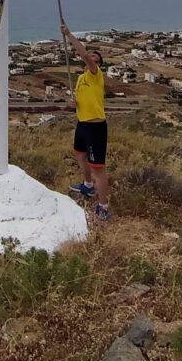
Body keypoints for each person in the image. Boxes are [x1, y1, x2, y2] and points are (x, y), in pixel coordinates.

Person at [61, 20, 111, 221]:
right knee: (80, 155)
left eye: (95, 58)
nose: (91, 58)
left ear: (98, 65)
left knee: (98, 167)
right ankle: (88, 186)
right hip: (82, 124)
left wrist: (69, 35)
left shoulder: (95, 74)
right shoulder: (81, 79)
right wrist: (72, 103)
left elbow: (82, 53)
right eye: (91, 57)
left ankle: (104, 206)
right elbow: (80, 102)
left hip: (96, 127)